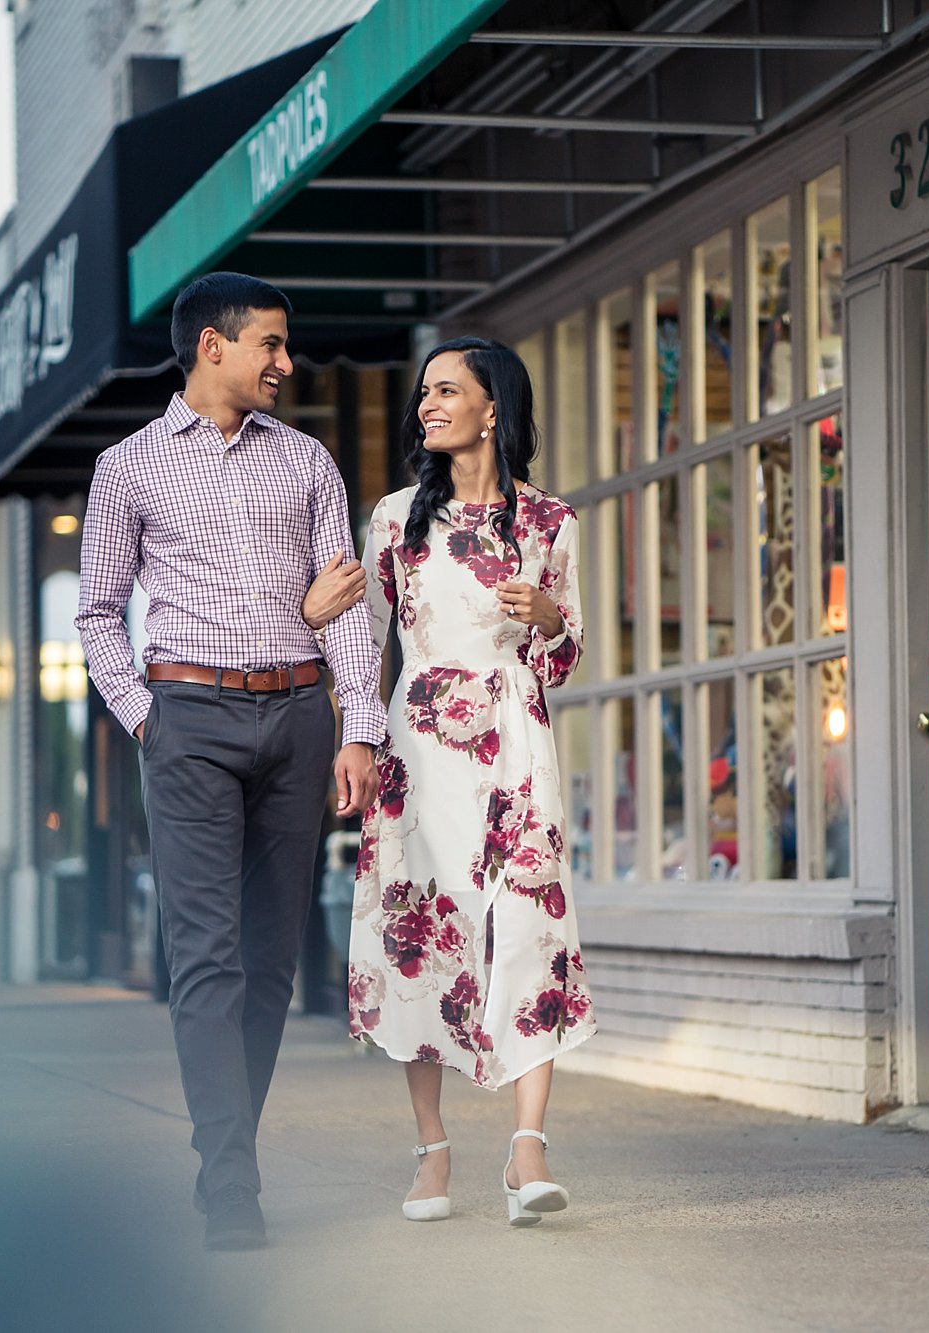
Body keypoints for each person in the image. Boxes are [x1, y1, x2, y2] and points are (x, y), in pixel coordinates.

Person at [75, 272, 383, 1250]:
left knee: (270, 965)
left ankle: (226, 1155)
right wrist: (143, 717)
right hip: (188, 722)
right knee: (204, 954)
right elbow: (95, 609)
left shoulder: (306, 464)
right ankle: (229, 1181)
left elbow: (344, 601)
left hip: (295, 718)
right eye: (272, 345)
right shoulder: (128, 467)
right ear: (212, 346)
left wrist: (361, 726)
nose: (286, 364)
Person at [342, 336, 596, 1227]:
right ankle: (432, 1147)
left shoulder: (550, 524)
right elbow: (359, 639)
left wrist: (552, 619)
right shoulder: (393, 519)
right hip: (419, 748)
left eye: (447, 390)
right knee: (423, 925)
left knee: (531, 921)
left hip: (515, 738)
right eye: (423, 392)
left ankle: (528, 1150)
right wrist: (358, 739)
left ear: (495, 408)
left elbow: (563, 660)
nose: (427, 404)